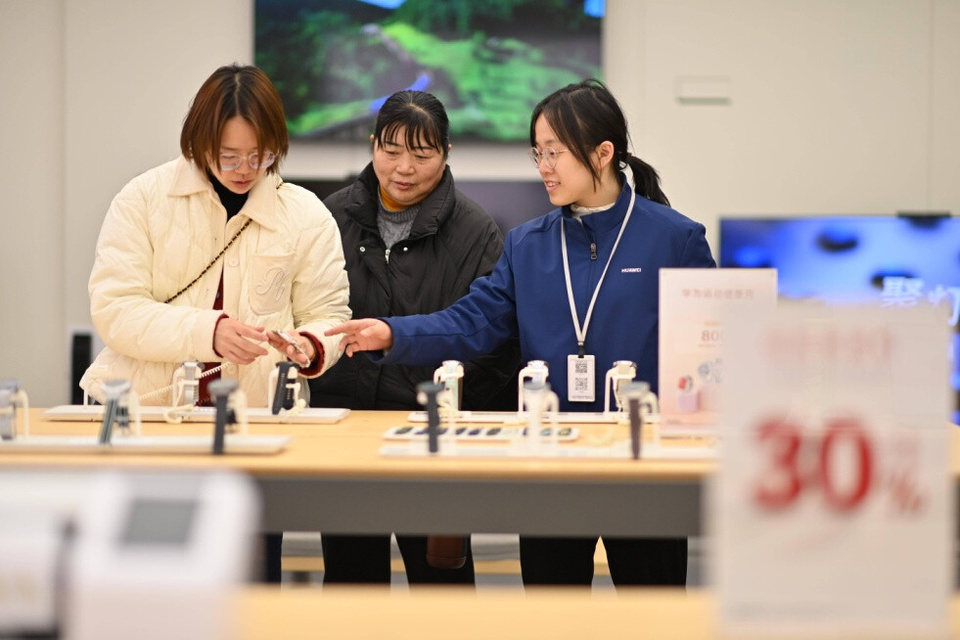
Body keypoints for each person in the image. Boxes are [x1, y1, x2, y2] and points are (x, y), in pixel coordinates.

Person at [325, 79, 716, 588]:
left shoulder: (675, 238)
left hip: (643, 465)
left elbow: (712, 353)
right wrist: (390, 333)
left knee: (657, 612)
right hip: (549, 461)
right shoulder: (527, 244)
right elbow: (472, 322)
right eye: (539, 152)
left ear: (602, 154)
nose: (544, 167)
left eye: (555, 152)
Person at [79, 64, 351, 580]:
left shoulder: (306, 214)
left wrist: (310, 347)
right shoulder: (143, 199)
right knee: (149, 588)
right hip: (150, 426)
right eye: (229, 156)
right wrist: (209, 332)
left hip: (254, 431)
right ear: (198, 141)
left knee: (252, 589)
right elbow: (115, 309)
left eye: (261, 155)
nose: (245, 169)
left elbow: (329, 315)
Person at [309, 89, 521, 586]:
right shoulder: (328, 217)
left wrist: (451, 415)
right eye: (391, 150)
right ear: (372, 145)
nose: (403, 168)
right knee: (350, 586)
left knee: (442, 589)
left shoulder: (476, 232)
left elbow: (494, 344)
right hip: (344, 435)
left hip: (432, 442)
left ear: (446, 154)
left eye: (422, 154)